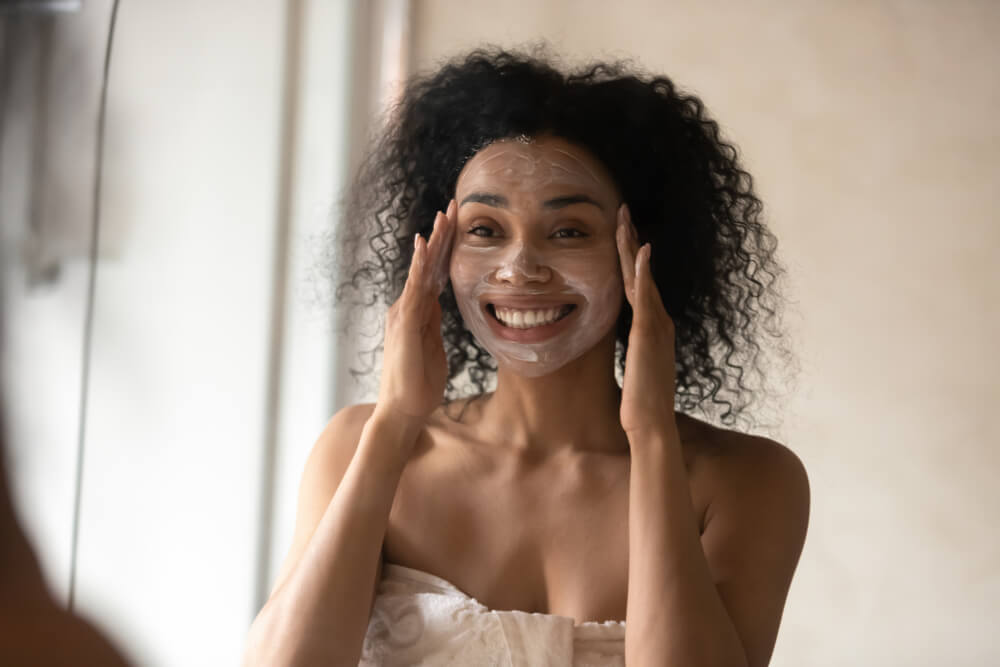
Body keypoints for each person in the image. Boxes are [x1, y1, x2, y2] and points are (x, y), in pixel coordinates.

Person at [243, 47, 810, 667]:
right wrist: (395, 422)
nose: (520, 268)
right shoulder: (360, 445)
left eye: (568, 232)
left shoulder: (748, 482)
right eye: (485, 230)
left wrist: (651, 437)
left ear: (648, 251)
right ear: (436, 254)